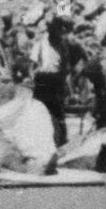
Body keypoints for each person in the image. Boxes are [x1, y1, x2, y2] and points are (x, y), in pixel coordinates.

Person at [30, 16, 71, 147]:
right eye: (55, 29)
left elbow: (65, 66)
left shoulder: (63, 44)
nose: (58, 32)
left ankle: (61, 143)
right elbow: (32, 64)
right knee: (39, 111)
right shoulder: (41, 41)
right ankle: (38, 142)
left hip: (56, 80)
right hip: (42, 80)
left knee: (58, 112)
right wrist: (33, 79)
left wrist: (65, 85)